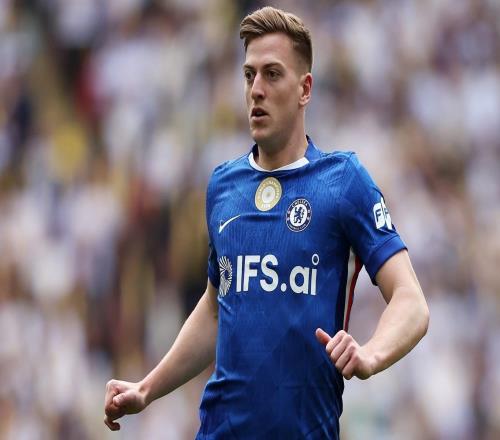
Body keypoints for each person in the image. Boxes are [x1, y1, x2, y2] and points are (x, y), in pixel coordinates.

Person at [104, 6, 429, 439]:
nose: (256, 89)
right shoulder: (224, 185)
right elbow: (216, 307)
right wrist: (146, 389)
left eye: (272, 74)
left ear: (304, 88)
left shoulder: (342, 181)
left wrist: (370, 354)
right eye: (249, 75)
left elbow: (411, 302)